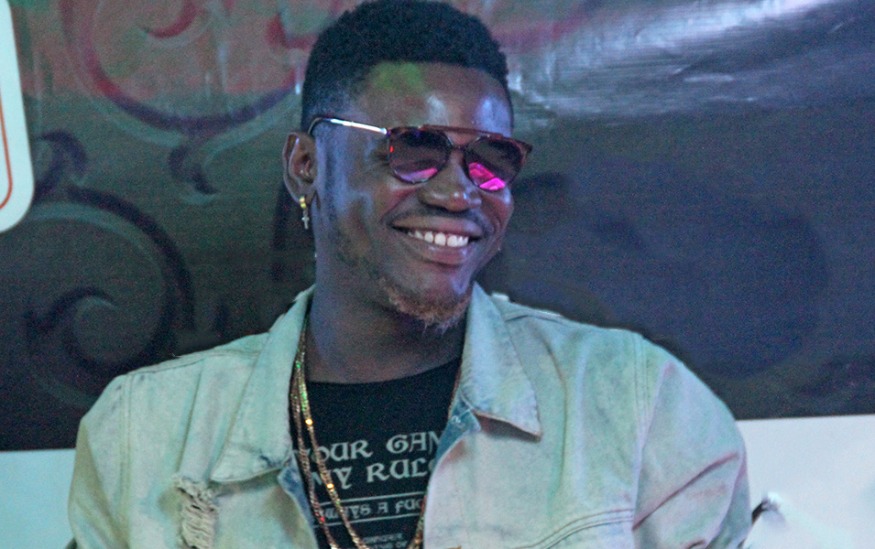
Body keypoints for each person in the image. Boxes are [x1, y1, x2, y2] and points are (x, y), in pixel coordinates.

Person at [68, 1, 751, 547]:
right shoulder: (145, 433)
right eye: (414, 150)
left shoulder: (635, 405)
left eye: (490, 161)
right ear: (305, 166)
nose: (458, 193)